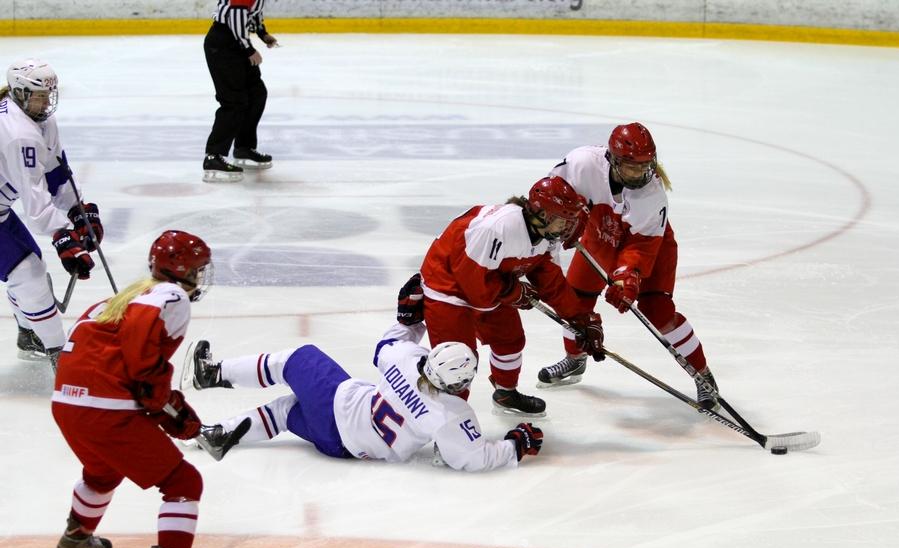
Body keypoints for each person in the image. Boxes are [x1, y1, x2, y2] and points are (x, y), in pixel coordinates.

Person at [49, 230, 222, 548]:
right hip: (103, 409)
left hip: (67, 403)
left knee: (102, 470)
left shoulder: (123, 296)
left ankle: (76, 537)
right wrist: (172, 413)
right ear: (182, 270)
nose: (200, 275)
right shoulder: (172, 298)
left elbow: (124, 363)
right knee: (183, 483)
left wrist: (169, 411)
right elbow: (144, 373)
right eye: (198, 268)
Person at [187, 305, 545, 472]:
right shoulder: (452, 414)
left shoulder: (405, 359)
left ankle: (212, 374)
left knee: (297, 358)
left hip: (338, 406)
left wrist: (411, 316)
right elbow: (471, 457)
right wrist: (515, 444)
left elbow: (386, 344)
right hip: (341, 448)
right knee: (284, 411)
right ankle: (220, 435)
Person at [537, 122, 719, 408]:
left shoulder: (652, 194)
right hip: (601, 234)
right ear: (612, 159)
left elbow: (642, 246)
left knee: (658, 312)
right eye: (632, 167)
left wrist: (627, 276)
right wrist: (567, 223)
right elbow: (551, 197)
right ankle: (575, 359)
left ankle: (703, 376)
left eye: (645, 166)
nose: (640, 174)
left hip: (649, 246)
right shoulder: (582, 164)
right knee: (572, 301)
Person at [417, 175, 606, 417]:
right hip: (447, 287)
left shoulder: (545, 235)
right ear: (543, 214)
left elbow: (551, 282)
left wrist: (580, 318)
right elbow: (474, 285)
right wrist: (513, 292)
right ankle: (447, 430)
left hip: (490, 283)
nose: (567, 228)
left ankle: (506, 393)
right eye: (564, 220)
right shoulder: (496, 228)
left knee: (510, 339)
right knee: (457, 363)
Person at [0, 59, 103, 370]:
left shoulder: (39, 120)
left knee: (31, 270)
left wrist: (79, 211)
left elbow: (56, 174)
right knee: (28, 275)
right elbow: (35, 202)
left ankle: (29, 333)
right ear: (20, 94)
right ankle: (61, 355)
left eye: (49, 95)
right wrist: (63, 236)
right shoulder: (18, 133)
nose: (46, 103)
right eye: (39, 96)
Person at [202, 0, 278, 182]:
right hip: (223, 46)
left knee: (256, 94)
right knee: (234, 101)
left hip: (235, 44)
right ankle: (213, 157)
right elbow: (236, 17)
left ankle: (244, 147)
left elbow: (253, 13)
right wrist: (249, 49)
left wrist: (262, 33)